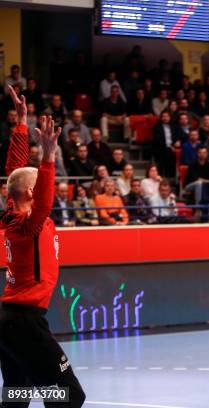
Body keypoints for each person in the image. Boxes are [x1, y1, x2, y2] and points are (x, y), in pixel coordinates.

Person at [0, 86, 86, 407]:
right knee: (69, 396)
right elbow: (43, 198)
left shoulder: (13, 210)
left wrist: (21, 125)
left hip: (10, 320)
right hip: (25, 323)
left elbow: (15, 172)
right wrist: (49, 155)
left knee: (16, 396)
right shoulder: (28, 225)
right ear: (32, 195)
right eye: (39, 184)